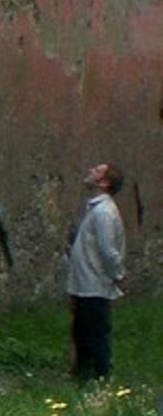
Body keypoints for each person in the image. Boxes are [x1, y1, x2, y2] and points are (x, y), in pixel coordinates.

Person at [66, 160, 126, 382]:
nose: (91, 170)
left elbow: (109, 251)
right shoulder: (96, 209)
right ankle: (83, 378)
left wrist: (118, 276)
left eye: (97, 171)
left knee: (96, 335)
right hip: (85, 283)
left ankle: (100, 380)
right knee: (82, 333)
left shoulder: (104, 213)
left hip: (95, 284)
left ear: (104, 183)